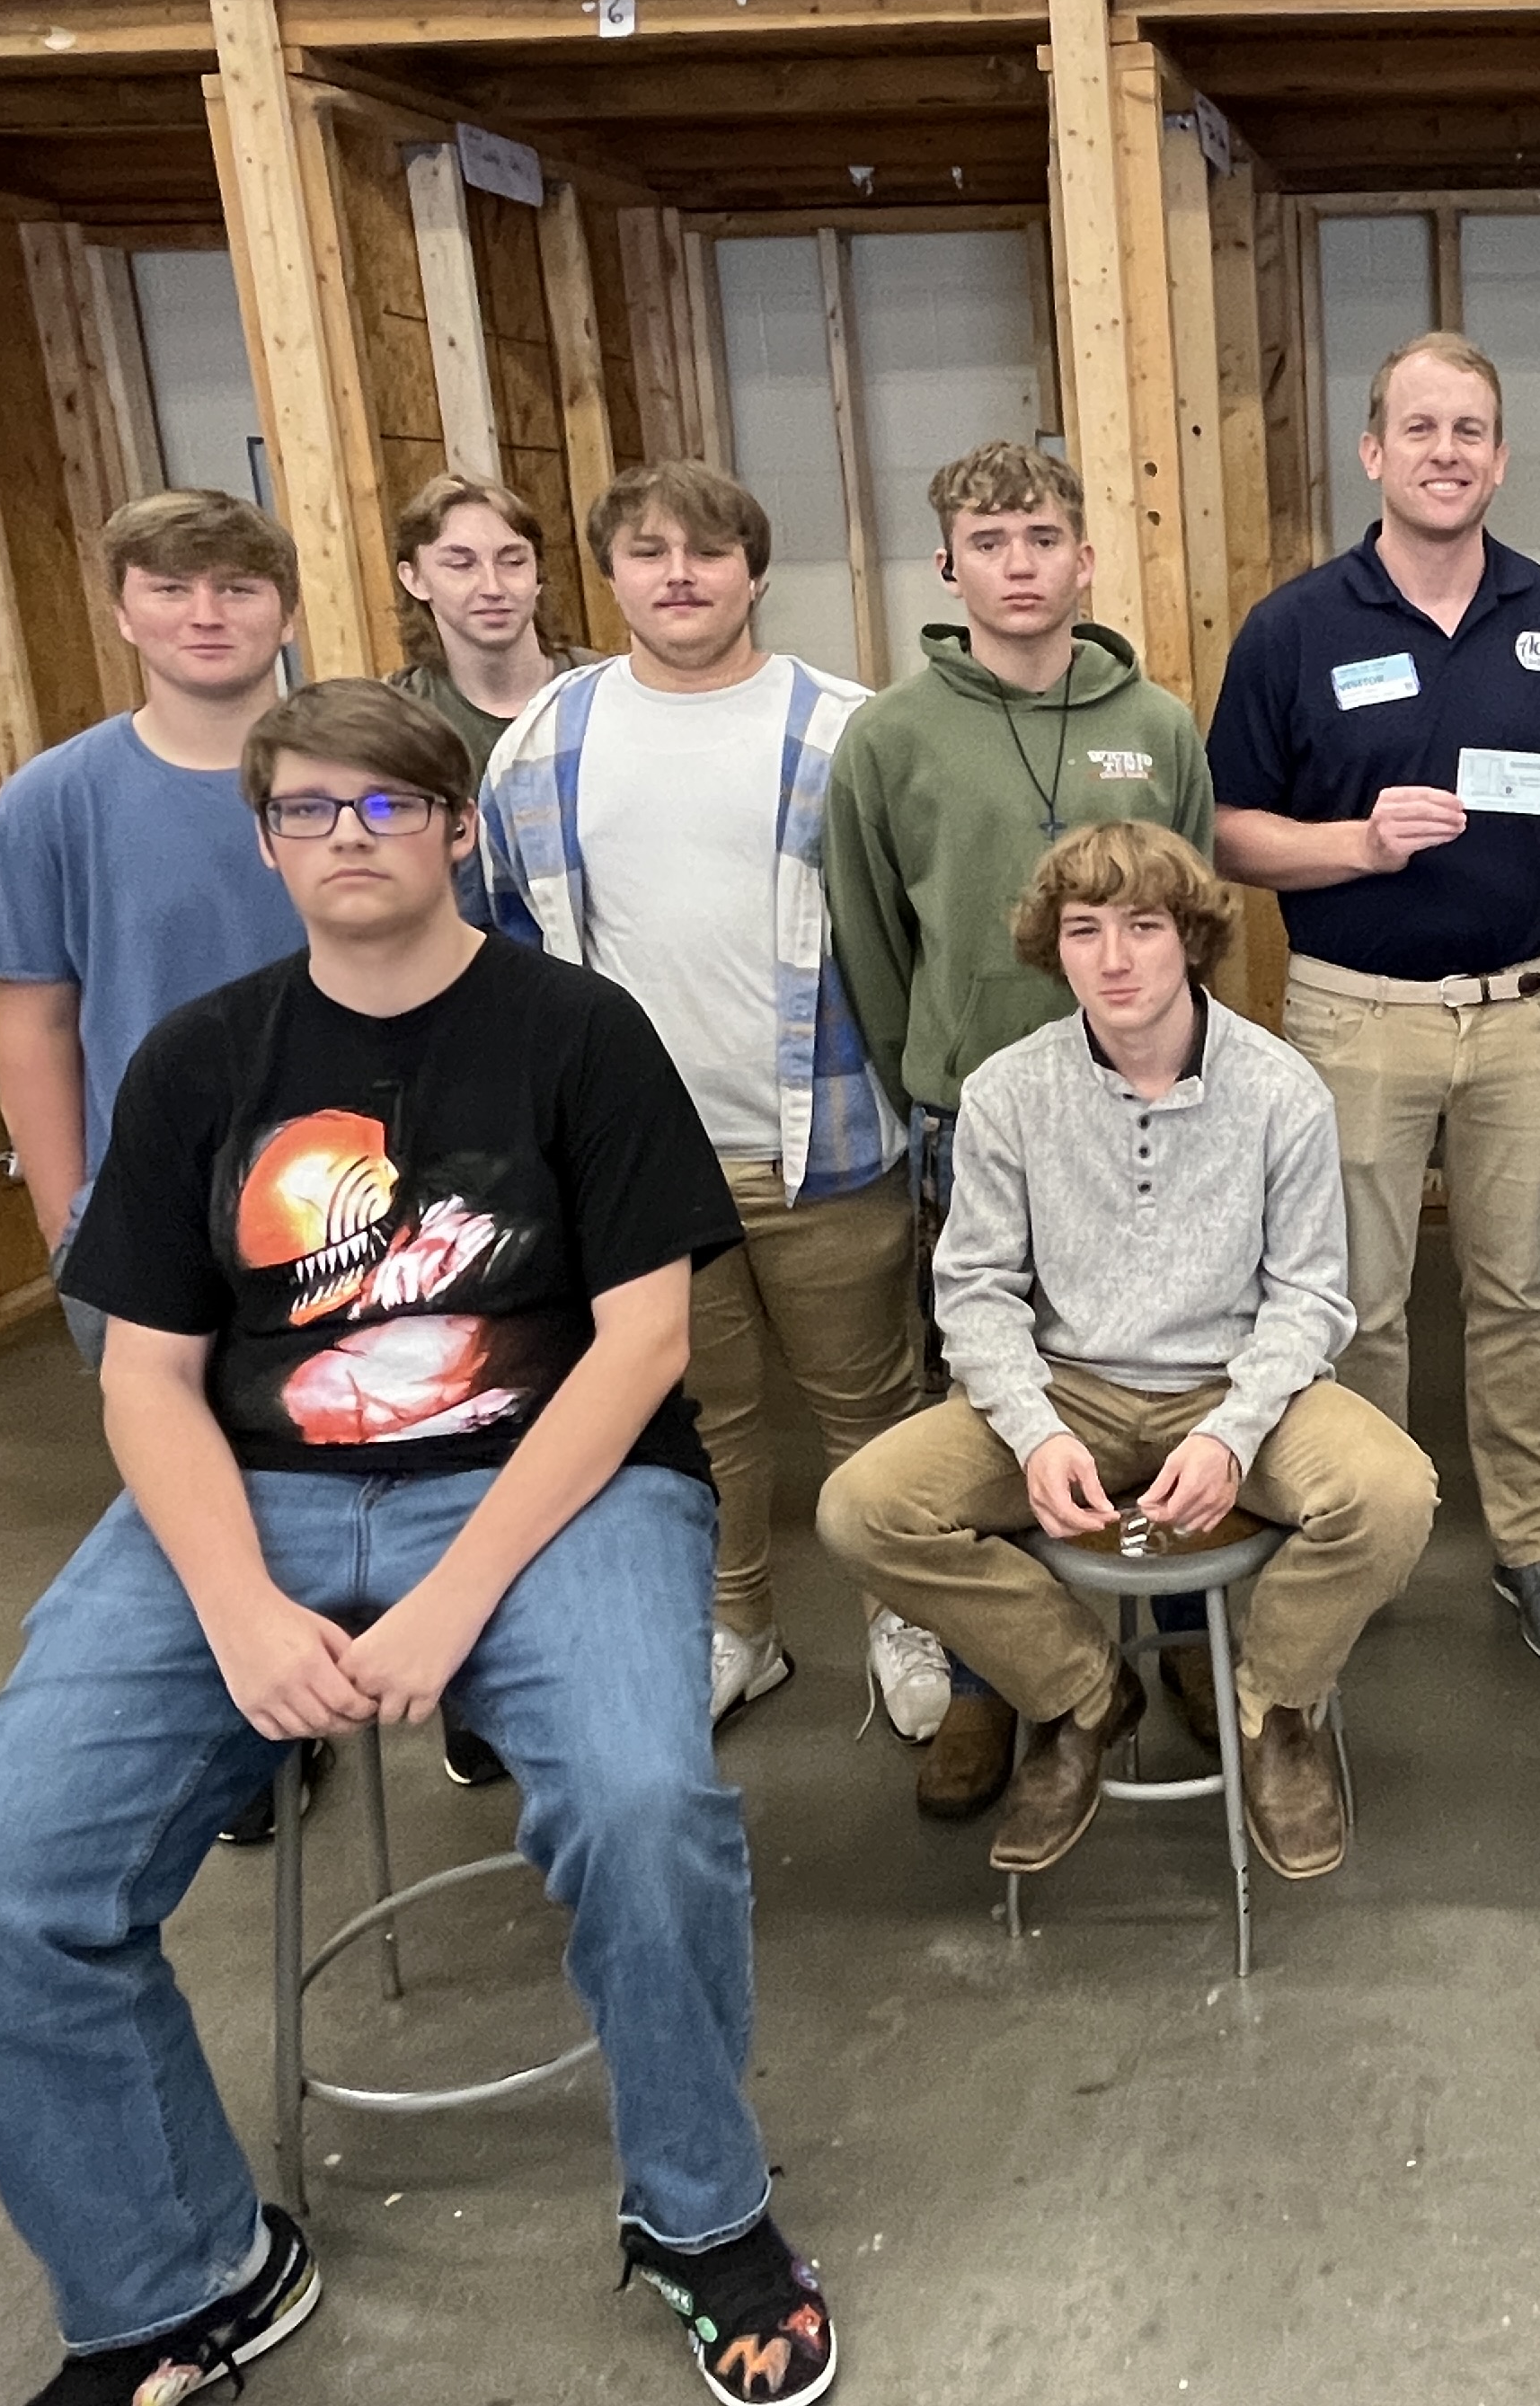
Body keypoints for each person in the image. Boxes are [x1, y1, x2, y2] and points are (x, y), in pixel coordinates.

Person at [0, 678, 837, 2406]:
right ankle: (181, 2277)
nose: (350, 836)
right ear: (265, 841)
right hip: (253, 1493)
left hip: (559, 1483)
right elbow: (148, 1377)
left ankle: (703, 2212)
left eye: (388, 806)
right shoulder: (200, 1059)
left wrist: (455, 1602)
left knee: (646, 1806)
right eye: (311, 809)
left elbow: (642, 1345)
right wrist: (243, 1608)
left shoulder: (574, 1030)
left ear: (456, 829)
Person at [818, 824, 1435, 1881]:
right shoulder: (1011, 1092)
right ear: (1052, 948)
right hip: (1071, 1388)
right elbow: (972, 1290)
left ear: (1190, 939)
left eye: (1143, 927)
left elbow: (1311, 1299)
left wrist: (1236, 1434)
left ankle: (1272, 1708)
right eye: (1083, 930)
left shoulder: (1281, 1088)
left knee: (1395, 1494)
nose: (1113, 958)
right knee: (861, 1510)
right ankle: (1081, 1694)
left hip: (1240, 1385)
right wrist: (1033, 1427)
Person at [1209, 332, 1540, 1664]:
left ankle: (1529, 1543)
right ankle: (1373, 1535)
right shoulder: (1296, 626)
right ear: (1374, 452)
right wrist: (1356, 843)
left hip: (1523, 1010)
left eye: (1470, 432)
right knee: (1361, 1304)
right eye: (1421, 429)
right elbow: (1227, 833)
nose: (1445, 453)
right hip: (1355, 1014)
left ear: (1499, 459)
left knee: (1520, 1294)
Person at [480, 460, 929, 1743]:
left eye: (709, 551)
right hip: (634, 1167)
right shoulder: (541, 746)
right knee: (701, 1414)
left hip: (826, 1146)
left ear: (755, 571)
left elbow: (903, 926)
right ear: (609, 575)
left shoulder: (851, 731)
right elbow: (510, 946)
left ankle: (904, 1616)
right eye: (649, 552)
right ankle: (742, 1626)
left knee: (873, 1407)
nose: (679, 575)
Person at [826, 438, 1215, 1816]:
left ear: (1085, 557)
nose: (1021, 565)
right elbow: (869, 934)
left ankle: (1182, 1645)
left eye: (1045, 537)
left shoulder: (1157, 725)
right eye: (990, 544)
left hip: (1143, 1115)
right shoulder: (888, 736)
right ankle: (1008, 1681)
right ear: (949, 567)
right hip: (974, 1122)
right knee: (990, 1394)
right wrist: (928, 1075)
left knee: (1166, 1369)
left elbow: (1196, 914)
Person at [0, 489, 310, 1382]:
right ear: (121, 611)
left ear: (286, 610)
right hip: (155, 1222)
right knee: (188, 1498)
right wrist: (70, 1223)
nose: (204, 615)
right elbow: (32, 1027)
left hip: (365, 1198)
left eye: (237, 588)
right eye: (169, 589)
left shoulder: (366, 780)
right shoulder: (50, 804)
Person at [387, 472, 596, 922]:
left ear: (538, 574)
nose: (493, 587)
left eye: (513, 561)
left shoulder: (605, 694)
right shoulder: (391, 719)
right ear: (414, 578)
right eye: (460, 564)